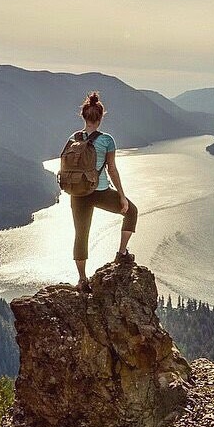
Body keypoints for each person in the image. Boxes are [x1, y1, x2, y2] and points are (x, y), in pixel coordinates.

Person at [68, 91, 138, 292]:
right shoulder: (107, 140)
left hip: (78, 194)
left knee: (81, 235)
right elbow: (112, 169)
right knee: (131, 211)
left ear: (84, 116)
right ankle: (122, 253)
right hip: (99, 191)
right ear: (100, 118)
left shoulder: (74, 137)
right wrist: (122, 196)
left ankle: (82, 280)